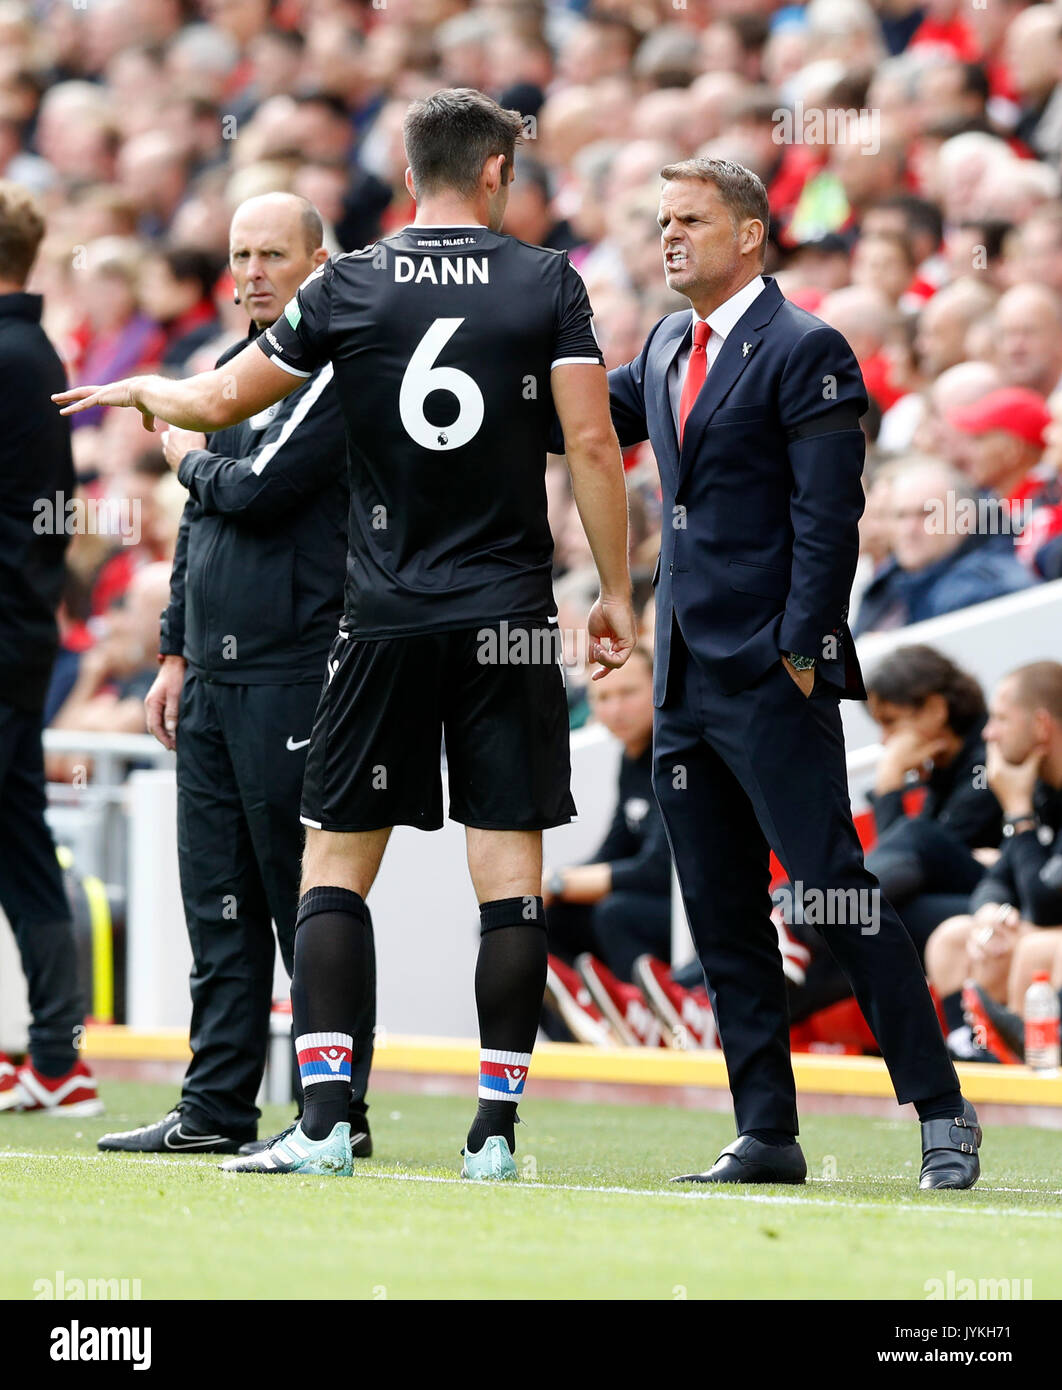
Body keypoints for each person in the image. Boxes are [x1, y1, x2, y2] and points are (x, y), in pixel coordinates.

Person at [55, 88, 637, 1182]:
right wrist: (615, 593)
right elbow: (593, 446)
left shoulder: (357, 280)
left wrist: (148, 392)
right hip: (506, 617)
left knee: (332, 868)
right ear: (500, 174)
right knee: (508, 876)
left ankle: (323, 1123)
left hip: (382, 619)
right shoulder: (548, 280)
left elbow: (223, 398)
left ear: (410, 178)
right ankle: (495, 1132)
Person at [593, 156, 981, 1190]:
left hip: (771, 678)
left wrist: (801, 656)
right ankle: (766, 1129)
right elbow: (590, 419)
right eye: (661, 220)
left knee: (836, 895)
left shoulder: (808, 346)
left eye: (691, 220)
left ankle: (941, 1109)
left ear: (752, 234)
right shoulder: (670, 339)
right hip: (680, 683)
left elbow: (829, 519)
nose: (668, 236)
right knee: (722, 914)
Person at [94, 193, 376, 1157]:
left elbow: (252, 491)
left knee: (307, 902)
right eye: (241, 254)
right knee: (215, 904)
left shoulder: (338, 371)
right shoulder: (230, 369)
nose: (254, 271)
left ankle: (335, 1111)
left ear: (318, 260)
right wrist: (172, 650)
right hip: (212, 676)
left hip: (295, 670)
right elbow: (200, 531)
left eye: (272, 253)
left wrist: (180, 450)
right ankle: (215, 1110)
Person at [0, 181, 101, 1116]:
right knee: (21, 840)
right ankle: (53, 1053)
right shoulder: (32, 352)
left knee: (21, 839)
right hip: (21, 630)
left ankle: (56, 1053)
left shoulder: (10, 353)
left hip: (4, 633)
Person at [925, 661, 1062, 1062]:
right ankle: (969, 1052)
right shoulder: (1041, 788)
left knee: (1035, 947)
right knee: (955, 936)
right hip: (1049, 926)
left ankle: (1022, 1059)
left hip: (1052, 933)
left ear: (1040, 725)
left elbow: (1047, 903)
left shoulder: (1023, 795)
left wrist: (1017, 813)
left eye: (1001, 719)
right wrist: (991, 913)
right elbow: (997, 879)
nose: (988, 732)